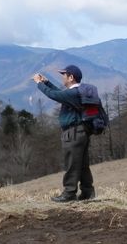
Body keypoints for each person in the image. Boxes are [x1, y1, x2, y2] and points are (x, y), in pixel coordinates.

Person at [32, 65, 95, 202]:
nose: (62, 77)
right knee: (82, 164)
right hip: (82, 132)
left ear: (71, 77)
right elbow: (60, 94)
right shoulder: (77, 92)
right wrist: (47, 82)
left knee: (71, 163)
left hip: (73, 133)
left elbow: (54, 95)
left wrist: (39, 83)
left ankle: (69, 193)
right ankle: (88, 192)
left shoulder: (73, 93)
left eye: (64, 75)